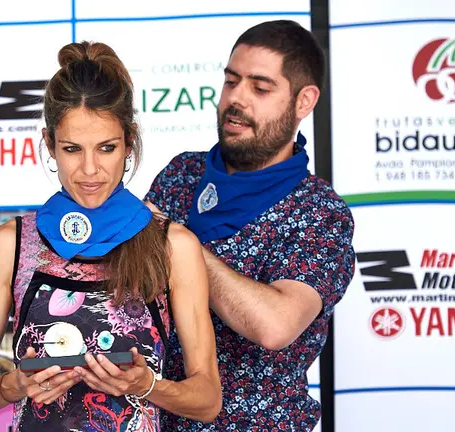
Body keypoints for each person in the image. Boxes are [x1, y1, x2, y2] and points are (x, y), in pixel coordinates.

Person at [0, 41, 222, 431]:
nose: (89, 170)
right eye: (71, 149)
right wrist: (12, 385)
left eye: (106, 148)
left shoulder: (171, 246)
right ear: (49, 144)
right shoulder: (11, 243)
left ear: (129, 143)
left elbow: (207, 399)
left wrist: (147, 384)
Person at [145, 20, 356, 431]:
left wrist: (177, 243)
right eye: (230, 81)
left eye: (260, 88)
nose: (236, 99)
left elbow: (274, 325)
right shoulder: (181, 174)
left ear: (304, 101)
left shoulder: (320, 213)